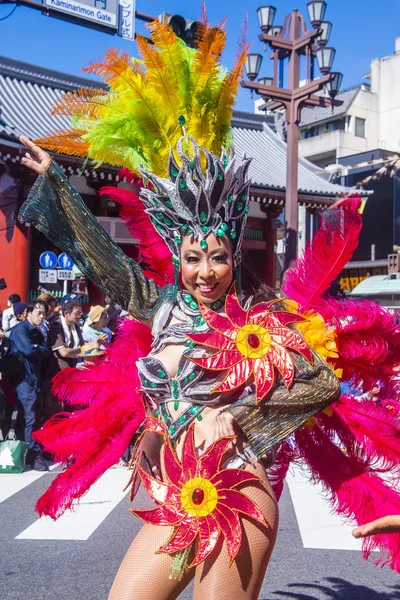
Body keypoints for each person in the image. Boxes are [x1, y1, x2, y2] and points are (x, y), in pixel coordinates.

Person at [16, 15, 400, 596]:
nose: (205, 272)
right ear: (179, 256)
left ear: (231, 256)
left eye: (217, 258)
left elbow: (321, 384)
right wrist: (59, 186)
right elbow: (105, 263)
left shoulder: (257, 324)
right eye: (193, 259)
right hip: (177, 495)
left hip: (237, 493)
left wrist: (239, 416)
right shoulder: (160, 305)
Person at [8, 300, 48, 470]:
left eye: (44, 313)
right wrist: (36, 348)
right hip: (22, 378)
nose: (41, 316)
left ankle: (24, 453)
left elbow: (45, 351)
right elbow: (29, 351)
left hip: (34, 378)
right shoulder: (20, 330)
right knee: (28, 416)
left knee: (31, 416)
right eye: (38, 312)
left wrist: (37, 348)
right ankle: (32, 454)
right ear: (28, 312)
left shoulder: (37, 332)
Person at [42, 299, 84, 422]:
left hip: (72, 375)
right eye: (77, 313)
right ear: (66, 313)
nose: (79, 316)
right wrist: (80, 350)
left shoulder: (75, 327)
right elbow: (64, 352)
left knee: (68, 409)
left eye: (80, 313)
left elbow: (83, 348)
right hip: (57, 374)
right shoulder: (56, 326)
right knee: (55, 410)